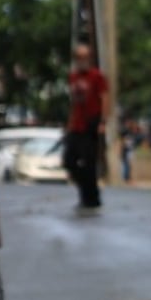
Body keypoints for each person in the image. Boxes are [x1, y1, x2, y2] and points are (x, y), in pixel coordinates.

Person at [62, 42, 107, 211]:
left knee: (89, 163)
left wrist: (102, 121)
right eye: (79, 57)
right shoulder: (73, 77)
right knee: (69, 161)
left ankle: (92, 198)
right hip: (76, 125)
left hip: (91, 123)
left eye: (85, 56)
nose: (82, 60)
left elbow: (104, 99)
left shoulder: (96, 76)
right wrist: (69, 123)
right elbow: (73, 103)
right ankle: (86, 191)